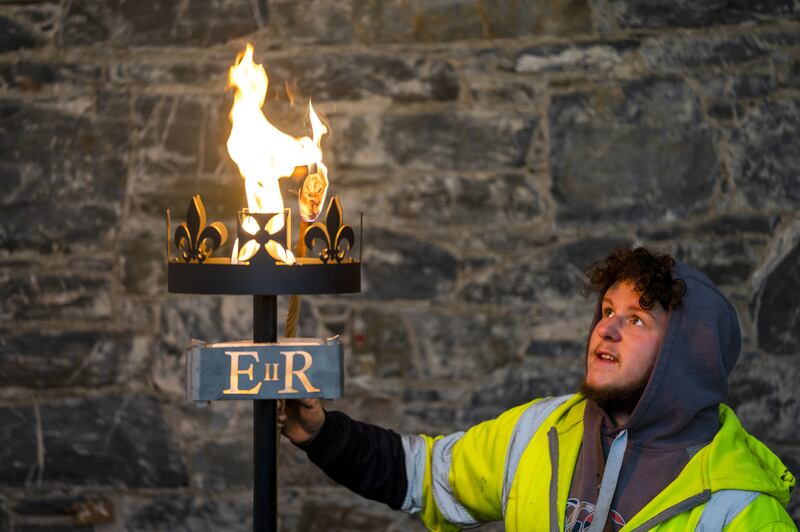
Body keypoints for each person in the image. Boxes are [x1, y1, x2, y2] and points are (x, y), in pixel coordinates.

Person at [278, 247, 797, 530]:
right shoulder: (540, 431)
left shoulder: (739, 508)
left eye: (637, 320)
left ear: (686, 356)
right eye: (608, 311)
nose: (607, 329)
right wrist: (324, 436)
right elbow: (421, 476)